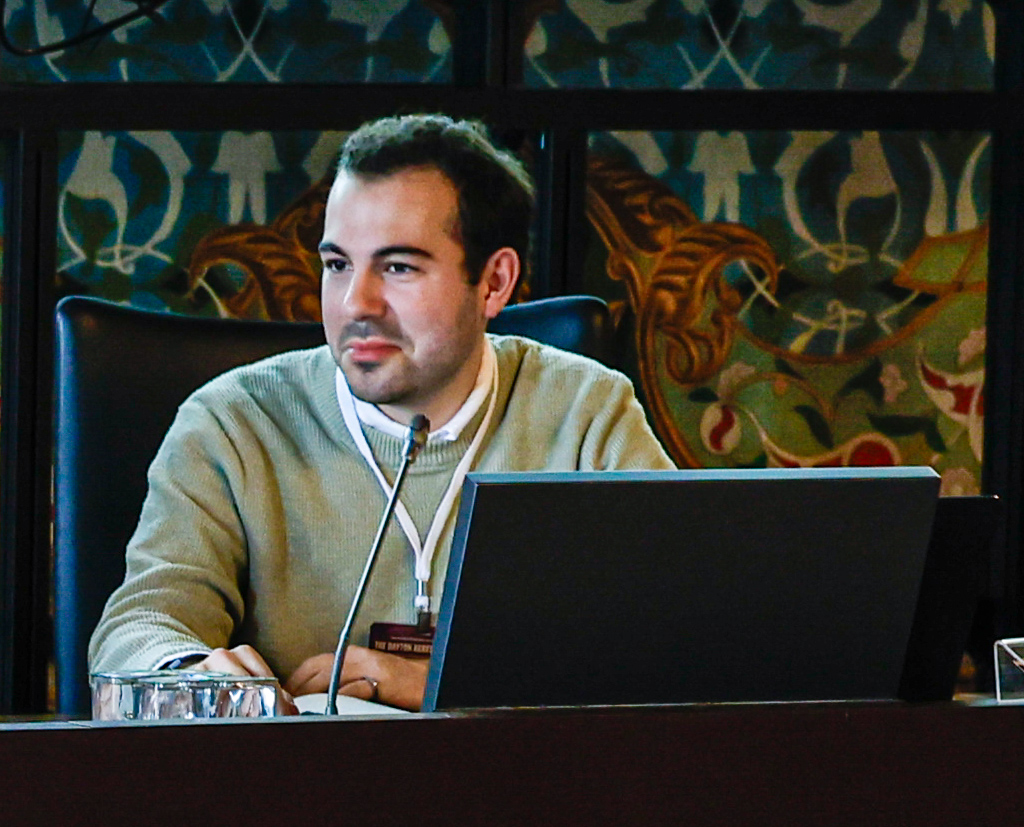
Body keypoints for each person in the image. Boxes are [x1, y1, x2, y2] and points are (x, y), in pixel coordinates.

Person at [89, 114, 674, 711]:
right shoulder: (232, 422)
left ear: (494, 282)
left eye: (398, 267)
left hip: (526, 767)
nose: (356, 303)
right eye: (338, 265)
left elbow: (681, 638)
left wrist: (433, 688)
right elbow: (140, 625)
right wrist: (189, 674)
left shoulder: (586, 412)